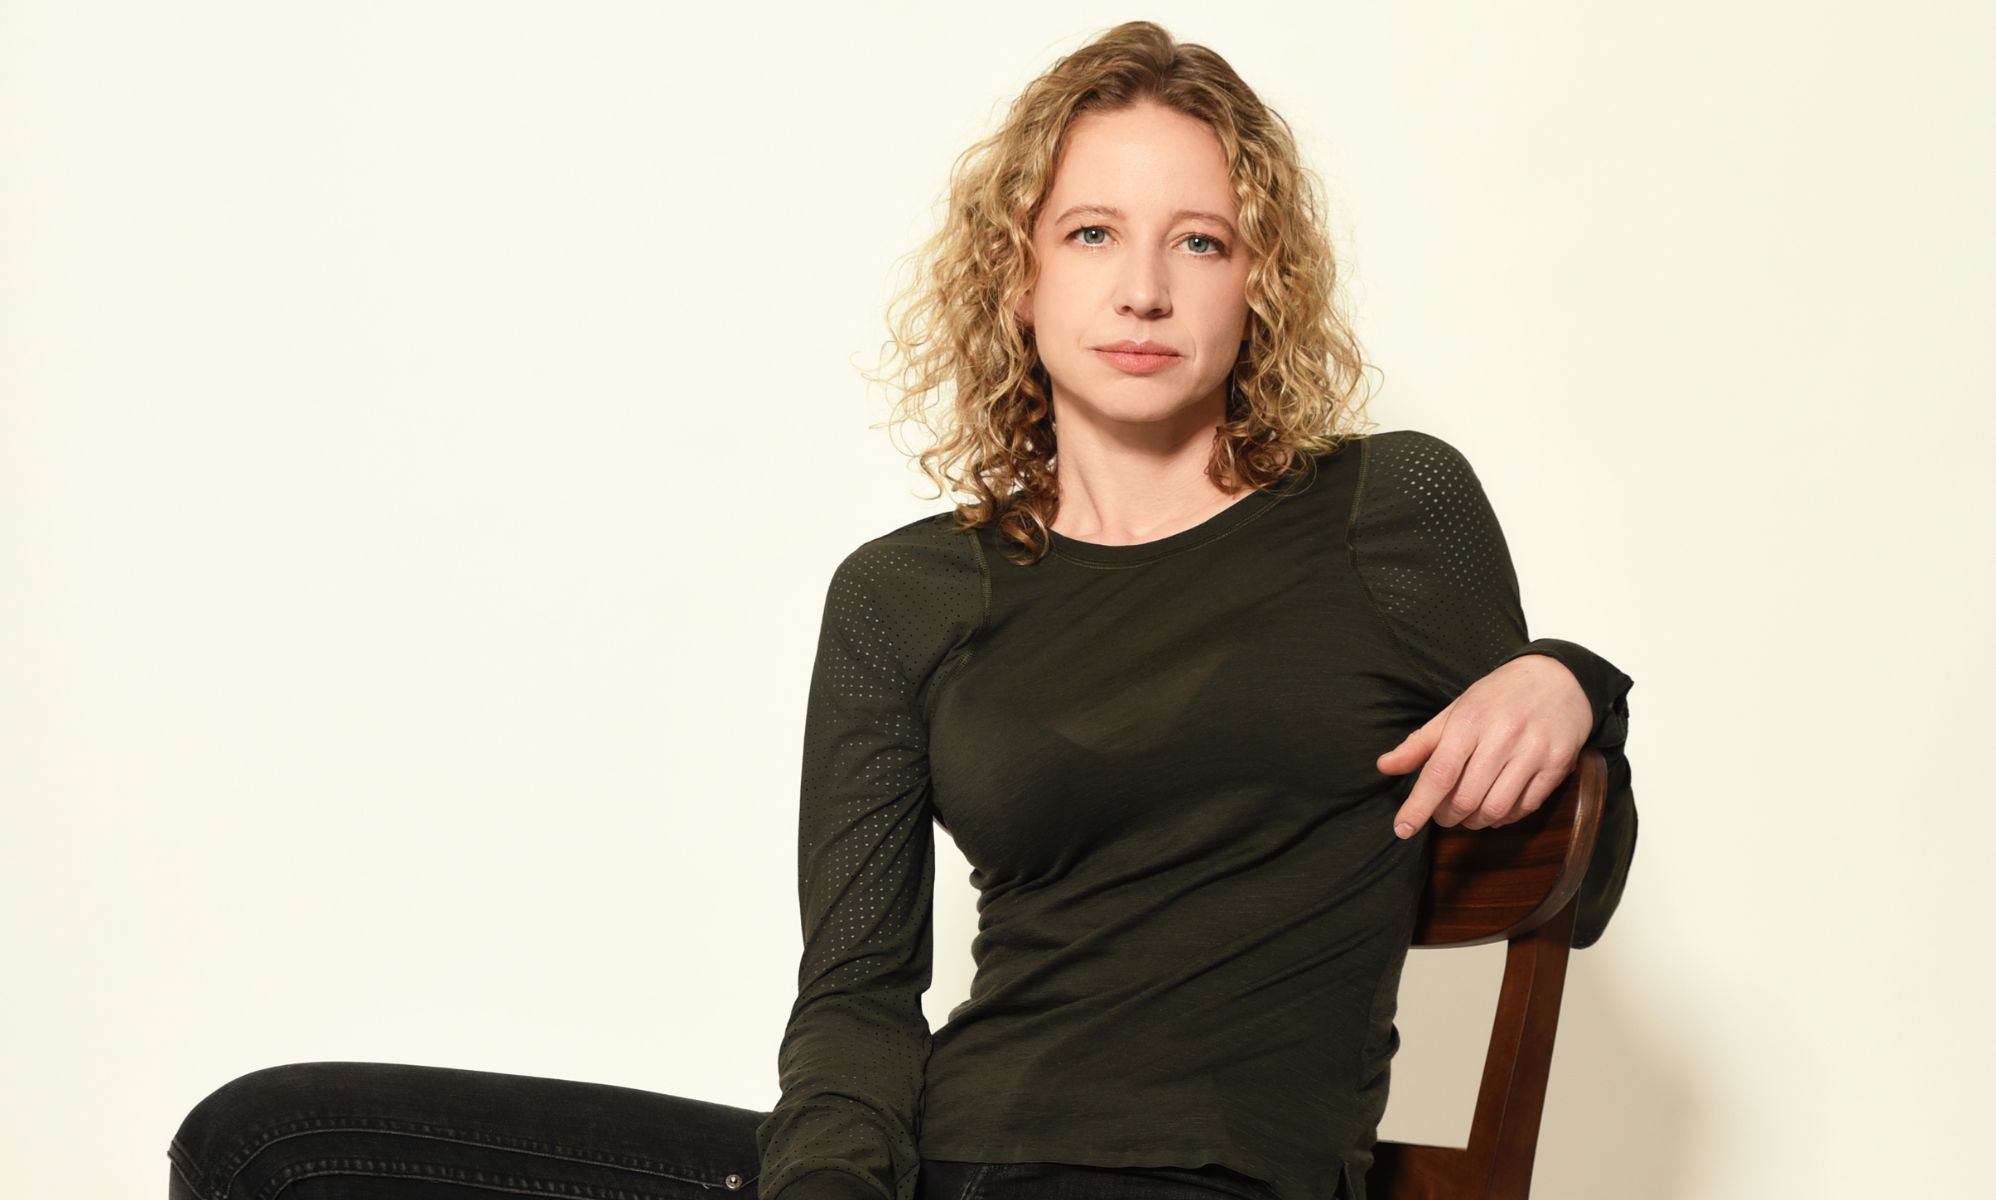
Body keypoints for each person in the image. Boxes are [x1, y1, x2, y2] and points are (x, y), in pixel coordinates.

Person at [165, 20, 1636, 1200]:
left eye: (1199, 240)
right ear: (1017, 281)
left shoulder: (1387, 511)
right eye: (1090, 235)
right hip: (919, 1158)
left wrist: (1573, 685)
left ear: (1258, 284)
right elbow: (860, 996)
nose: (1142, 287)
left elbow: (1579, 869)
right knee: (278, 1149)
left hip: (1206, 1167)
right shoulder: (904, 595)